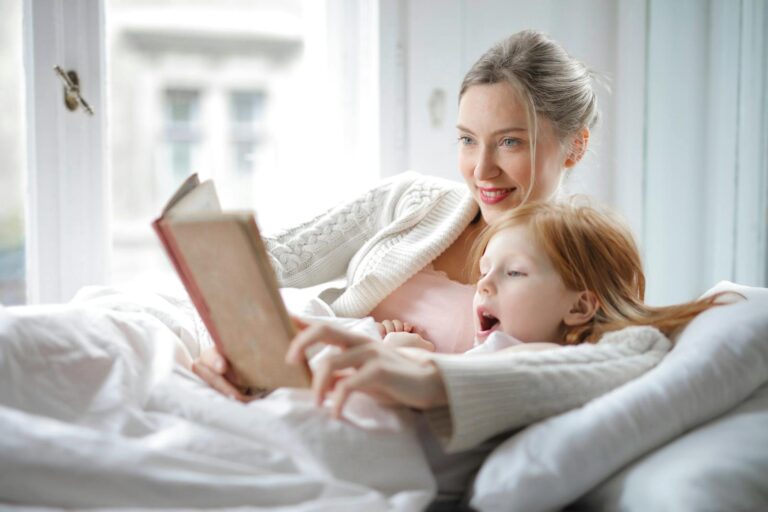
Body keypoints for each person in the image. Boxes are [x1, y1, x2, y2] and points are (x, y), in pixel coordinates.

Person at [193, 28, 598, 397]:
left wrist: (410, 365)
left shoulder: (581, 272)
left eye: (510, 142)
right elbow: (264, 267)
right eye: (468, 140)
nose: (481, 170)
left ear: (575, 146)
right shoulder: (411, 199)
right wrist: (231, 348)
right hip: (293, 384)